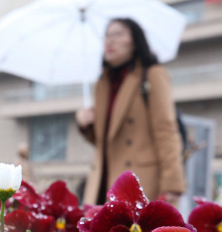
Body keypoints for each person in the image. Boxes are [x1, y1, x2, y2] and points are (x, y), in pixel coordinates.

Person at [76, 18, 186, 205]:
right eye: (107, 36)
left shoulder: (152, 74)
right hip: (103, 179)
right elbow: (107, 143)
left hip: (140, 178)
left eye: (118, 34)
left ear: (135, 41)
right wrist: (85, 125)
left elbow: (165, 130)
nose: (110, 41)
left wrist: (172, 183)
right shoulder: (102, 83)